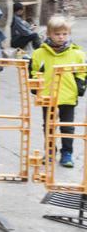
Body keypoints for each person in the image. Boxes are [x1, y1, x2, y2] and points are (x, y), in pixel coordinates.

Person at [30, 15, 86, 168]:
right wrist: (36, 86)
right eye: (57, 34)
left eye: (64, 34)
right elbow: (34, 70)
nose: (61, 37)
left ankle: (67, 153)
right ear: (48, 34)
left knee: (67, 126)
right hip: (48, 96)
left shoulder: (77, 54)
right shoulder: (39, 53)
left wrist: (80, 86)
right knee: (48, 125)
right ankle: (49, 151)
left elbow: (82, 72)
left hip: (68, 95)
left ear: (69, 34)